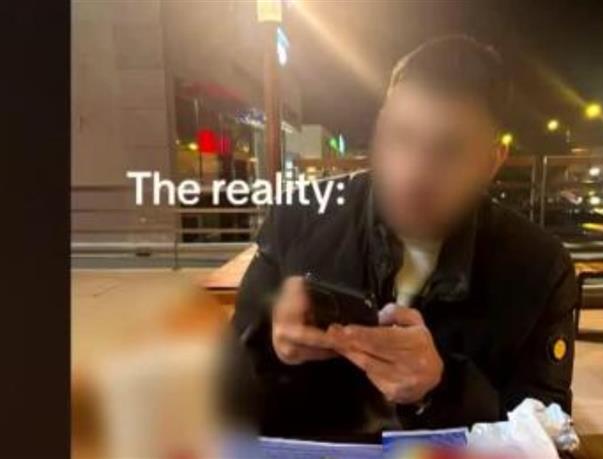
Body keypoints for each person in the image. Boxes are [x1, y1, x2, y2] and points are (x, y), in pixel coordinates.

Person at [223, 35, 577, 442]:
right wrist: (269, 350)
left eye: (449, 150)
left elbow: (550, 437)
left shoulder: (540, 268)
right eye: (401, 136)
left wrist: (444, 388)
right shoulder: (298, 218)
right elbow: (222, 398)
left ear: (491, 161)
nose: (413, 174)